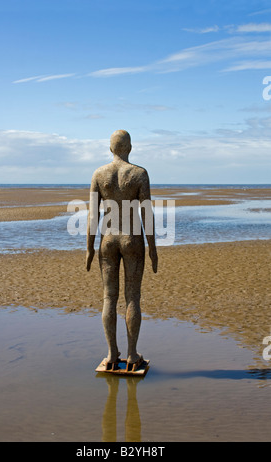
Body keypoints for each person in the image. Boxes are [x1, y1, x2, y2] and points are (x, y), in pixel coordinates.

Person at [86, 130, 158, 370]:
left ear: (110, 148)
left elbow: (92, 214)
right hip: (131, 239)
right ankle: (131, 354)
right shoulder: (139, 174)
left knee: (109, 297)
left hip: (107, 240)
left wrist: (89, 247)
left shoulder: (99, 174)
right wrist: (152, 247)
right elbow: (146, 212)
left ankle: (110, 354)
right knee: (132, 298)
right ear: (130, 147)